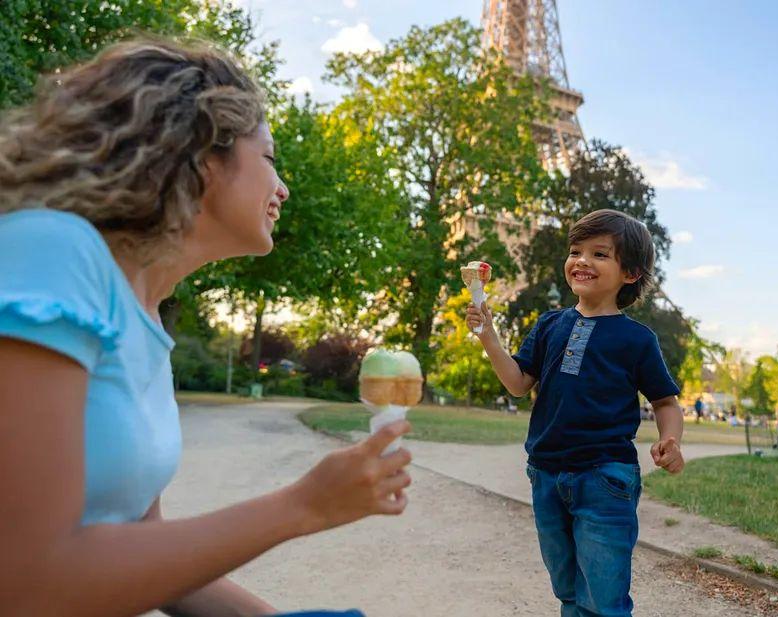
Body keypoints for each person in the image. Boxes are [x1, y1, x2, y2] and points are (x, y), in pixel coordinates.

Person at [0, 38, 412, 616]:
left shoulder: (145, 321)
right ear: (201, 155)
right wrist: (303, 506)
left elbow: (144, 547)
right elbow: (26, 584)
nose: (283, 189)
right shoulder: (52, 251)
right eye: (268, 158)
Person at [465, 209, 684, 616]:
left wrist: (670, 440)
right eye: (575, 251)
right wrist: (489, 338)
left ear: (630, 273)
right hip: (545, 473)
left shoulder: (637, 339)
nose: (582, 260)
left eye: (599, 254)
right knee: (567, 587)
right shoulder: (550, 324)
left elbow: (665, 402)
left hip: (604, 478)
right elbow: (518, 383)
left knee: (603, 596)